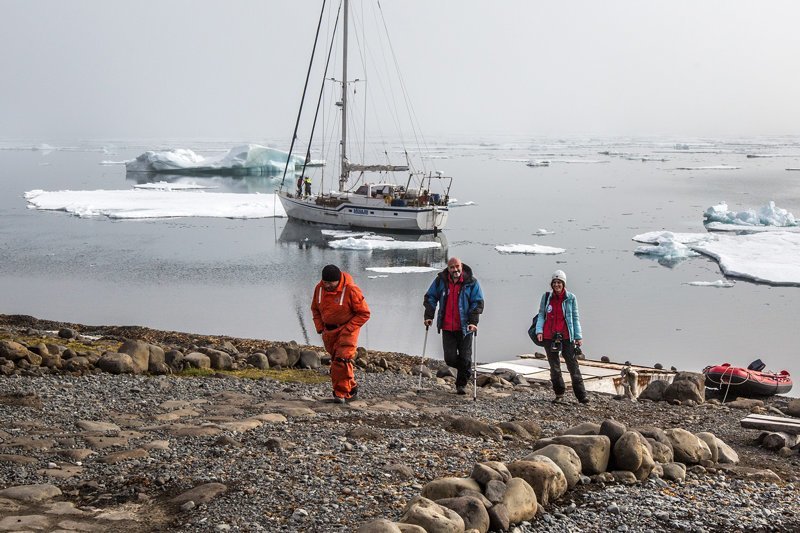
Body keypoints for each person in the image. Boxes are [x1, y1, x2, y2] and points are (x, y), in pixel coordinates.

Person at [423, 257, 484, 395]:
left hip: (465, 327)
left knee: (465, 357)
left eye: (457, 267)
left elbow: (477, 302)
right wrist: (429, 316)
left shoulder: (471, 282)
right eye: (452, 267)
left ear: (461, 266)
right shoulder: (441, 281)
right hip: (447, 327)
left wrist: (473, 322)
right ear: (448, 268)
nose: (455, 270)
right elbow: (430, 297)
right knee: (449, 358)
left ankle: (461, 385)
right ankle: (465, 370)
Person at [311, 264, 370, 403]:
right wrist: (320, 327)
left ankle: (341, 394)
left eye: (331, 283)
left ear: (338, 280)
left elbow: (364, 313)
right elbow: (315, 309)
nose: (327, 285)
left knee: (341, 360)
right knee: (338, 360)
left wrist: (348, 329)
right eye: (325, 282)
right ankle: (351, 388)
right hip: (329, 331)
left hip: (348, 330)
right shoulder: (319, 289)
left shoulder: (351, 290)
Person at [535, 270, 588, 404]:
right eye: (554, 282)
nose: (557, 285)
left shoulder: (571, 298)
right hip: (549, 336)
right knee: (555, 367)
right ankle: (559, 394)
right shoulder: (547, 297)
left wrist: (578, 336)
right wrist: (539, 331)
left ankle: (582, 396)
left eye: (559, 282)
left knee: (573, 366)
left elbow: (575, 318)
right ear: (551, 284)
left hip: (566, 336)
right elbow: (541, 314)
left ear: (563, 284)